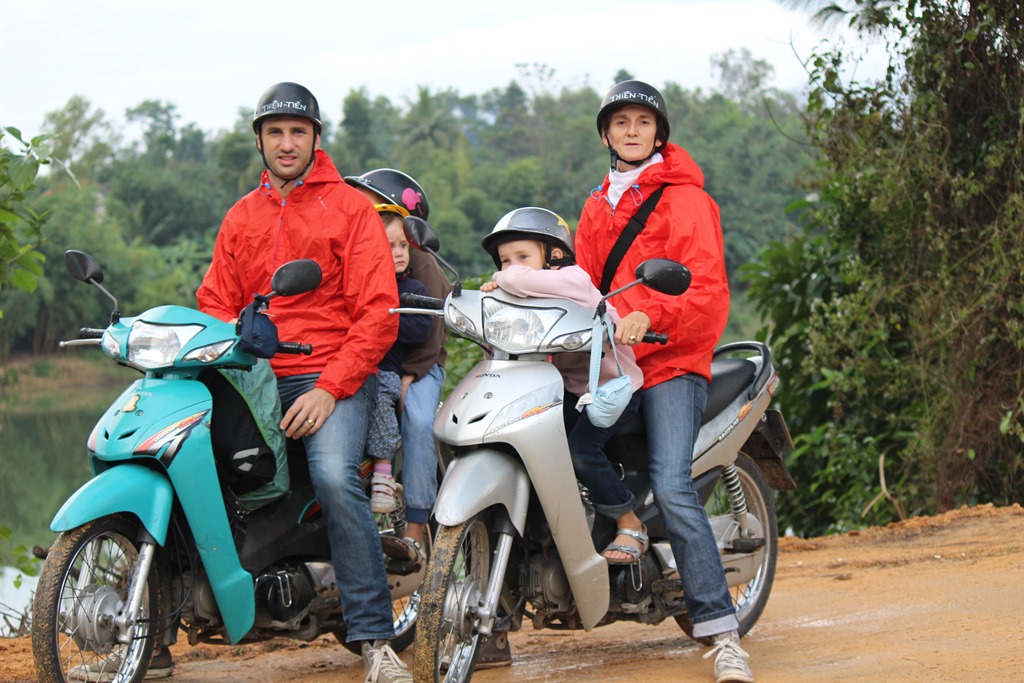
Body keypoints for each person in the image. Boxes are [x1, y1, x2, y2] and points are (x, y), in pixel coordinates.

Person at [195, 82, 412, 683]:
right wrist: (223, 346)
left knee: (334, 476)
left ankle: (375, 638)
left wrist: (329, 388)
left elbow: (378, 314)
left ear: (316, 138)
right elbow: (215, 301)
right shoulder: (241, 215)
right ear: (260, 141)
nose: (286, 143)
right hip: (254, 375)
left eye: (298, 132)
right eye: (275, 132)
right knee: (184, 457)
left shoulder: (351, 210)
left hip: (329, 371)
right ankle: (159, 621)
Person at [574, 80, 752, 683]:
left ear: (659, 133)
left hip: (671, 362)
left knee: (674, 484)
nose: (632, 131)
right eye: (620, 122)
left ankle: (722, 632)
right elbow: (579, 282)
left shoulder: (685, 200)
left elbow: (706, 288)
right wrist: (519, 284)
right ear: (606, 134)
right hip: (612, 365)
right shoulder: (597, 205)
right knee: (557, 442)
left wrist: (652, 315)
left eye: (643, 122)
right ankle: (490, 623)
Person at [479, 207, 649, 563]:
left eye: (523, 256)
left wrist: (505, 278)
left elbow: (517, 281)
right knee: (529, 444)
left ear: (554, 255)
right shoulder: (528, 287)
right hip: (570, 391)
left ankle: (628, 521)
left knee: (581, 451)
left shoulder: (573, 279)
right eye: (505, 260)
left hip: (611, 392)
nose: (512, 267)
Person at [342, 170, 450, 561]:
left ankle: (417, 525)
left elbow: (433, 328)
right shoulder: (358, 255)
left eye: (368, 202)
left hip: (416, 364)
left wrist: (411, 375)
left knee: (418, 421)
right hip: (375, 362)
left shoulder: (420, 264)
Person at [365, 209, 432, 515]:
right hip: (357, 368)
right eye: (390, 246)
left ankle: (383, 472)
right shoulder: (363, 287)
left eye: (403, 246)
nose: (399, 253)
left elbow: (420, 329)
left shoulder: (413, 290)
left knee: (381, 397)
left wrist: (380, 320)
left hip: (386, 371)